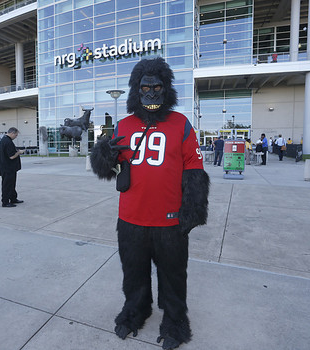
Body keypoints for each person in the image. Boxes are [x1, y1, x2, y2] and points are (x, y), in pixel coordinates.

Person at [90, 58, 209, 350]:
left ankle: (175, 321)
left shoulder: (181, 123)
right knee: (133, 273)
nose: (151, 94)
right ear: (136, 90)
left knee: (173, 277)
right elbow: (108, 169)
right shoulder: (124, 124)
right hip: (131, 219)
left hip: (170, 221)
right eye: (145, 88)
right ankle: (136, 310)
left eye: (157, 87)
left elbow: (194, 166)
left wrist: (193, 210)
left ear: (166, 89)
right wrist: (103, 154)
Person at [0, 127, 25, 207]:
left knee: (11, 183)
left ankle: (13, 198)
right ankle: (5, 202)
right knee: (7, 184)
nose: (16, 137)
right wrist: (19, 152)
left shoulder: (4, 140)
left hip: (7, 167)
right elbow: (12, 156)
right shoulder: (8, 142)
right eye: (16, 135)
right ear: (12, 133)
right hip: (8, 167)